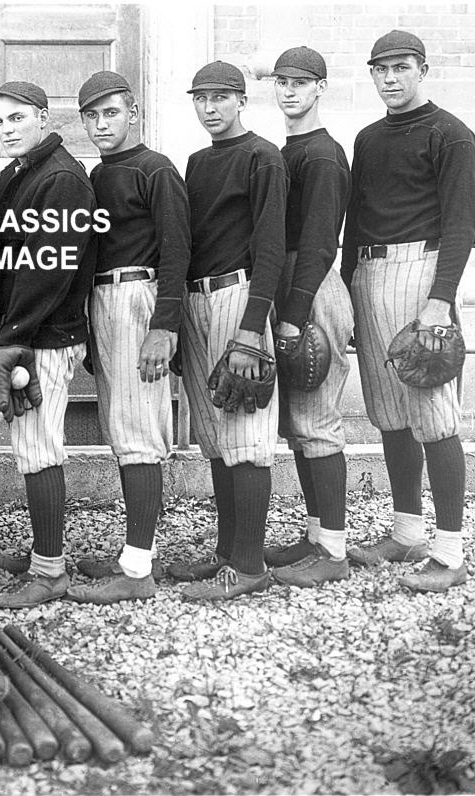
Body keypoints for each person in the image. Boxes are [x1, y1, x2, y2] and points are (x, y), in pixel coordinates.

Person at [341, 31, 475, 592]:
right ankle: (406, 531)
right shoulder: (368, 138)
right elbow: (357, 222)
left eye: (401, 68)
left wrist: (440, 300)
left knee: (433, 412)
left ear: (423, 69)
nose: (391, 78)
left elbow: (462, 225)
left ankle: (450, 551)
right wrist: (350, 291)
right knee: (390, 412)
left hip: (424, 272)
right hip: (372, 273)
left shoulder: (451, 134)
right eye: (382, 69)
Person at [65, 71, 190, 604]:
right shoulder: (97, 173)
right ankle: (134, 552)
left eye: (111, 112)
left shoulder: (155, 169)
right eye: (92, 116)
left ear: (133, 111)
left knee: (140, 430)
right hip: (103, 300)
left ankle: (138, 569)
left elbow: (177, 252)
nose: (101, 124)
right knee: (122, 425)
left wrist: (164, 326)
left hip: (139, 295)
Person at [167, 61, 287, 600]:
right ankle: (225, 553)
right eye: (201, 98)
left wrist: (250, 331)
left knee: (246, 437)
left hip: (239, 297)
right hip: (197, 298)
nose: (210, 108)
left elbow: (270, 250)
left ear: (242, 100)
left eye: (221, 97)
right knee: (216, 438)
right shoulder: (197, 161)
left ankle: (250, 566)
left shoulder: (262, 156)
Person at [0, 81, 99, 609]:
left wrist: (12, 338)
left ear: (44, 117)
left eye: (17, 118)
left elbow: (47, 270)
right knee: (31, 444)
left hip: (45, 335)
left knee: (37, 446)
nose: (7, 129)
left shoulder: (62, 179)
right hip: (25, 333)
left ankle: (50, 570)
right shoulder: (20, 174)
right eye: (0, 121)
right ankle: (42, 557)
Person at [262, 48, 354, 589]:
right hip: (288, 286)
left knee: (318, 420)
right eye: (282, 82)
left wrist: (293, 318)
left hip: (311, 288)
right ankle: (317, 533)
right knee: (299, 426)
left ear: (320, 87)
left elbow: (320, 245)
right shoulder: (289, 148)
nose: (290, 91)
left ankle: (335, 550)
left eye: (301, 82)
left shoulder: (321, 154)